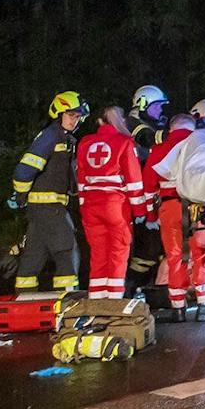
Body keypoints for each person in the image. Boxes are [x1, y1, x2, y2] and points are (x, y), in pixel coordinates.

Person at [10, 91, 89, 295]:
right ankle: (68, 303)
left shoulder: (62, 138)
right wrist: (20, 194)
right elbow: (24, 169)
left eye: (78, 116)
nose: (75, 120)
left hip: (42, 210)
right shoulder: (51, 136)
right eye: (71, 115)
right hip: (50, 208)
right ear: (58, 113)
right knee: (67, 253)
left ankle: (25, 301)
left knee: (33, 257)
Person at [75, 105, 147, 299]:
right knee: (118, 253)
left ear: (99, 121)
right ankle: (114, 303)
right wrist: (140, 211)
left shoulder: (85, 142)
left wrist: (83, 205)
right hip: (115, 206)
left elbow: (80, 178)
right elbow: (134, 179)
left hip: (90, 205)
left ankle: (97, 301)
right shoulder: (124, 142)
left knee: (98, 255)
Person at [142, 113, 197, 312]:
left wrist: (150, 215)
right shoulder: (200, 147)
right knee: (203, 254)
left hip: (170, 207)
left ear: (171, 129)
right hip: (199, 207)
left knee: (174, 256)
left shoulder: (159, 149)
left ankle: (178, 307)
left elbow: (148, 186)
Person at [126, 85, 170, 295]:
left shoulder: (148, 124)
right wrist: (175, 135)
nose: (161, 110)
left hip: (148, 193)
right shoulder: (133, 124)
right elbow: (148, 140)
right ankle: (131, 290)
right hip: (139, 196)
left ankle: (145, 289)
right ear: (142, 104)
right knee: (148, 251)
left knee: (155, 249)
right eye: (157, 106)